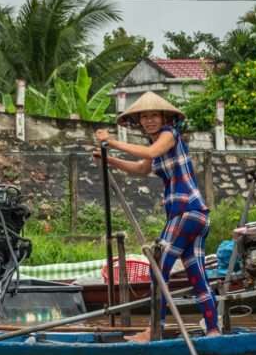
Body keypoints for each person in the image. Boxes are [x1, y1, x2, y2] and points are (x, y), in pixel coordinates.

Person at [93, 91, 220, 340]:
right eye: (145, 117)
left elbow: (150, 155)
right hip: (192, 215)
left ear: (164, 118)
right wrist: (109, 159)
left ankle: (155, 330)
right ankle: (213, 330)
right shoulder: (155, 144)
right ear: (139, 121)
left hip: (187, 212)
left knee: (157, 267)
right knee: (197, 275)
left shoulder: (169, 135)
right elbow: (142, 168)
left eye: (154, 115)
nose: (150, 120)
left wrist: (111, 142)